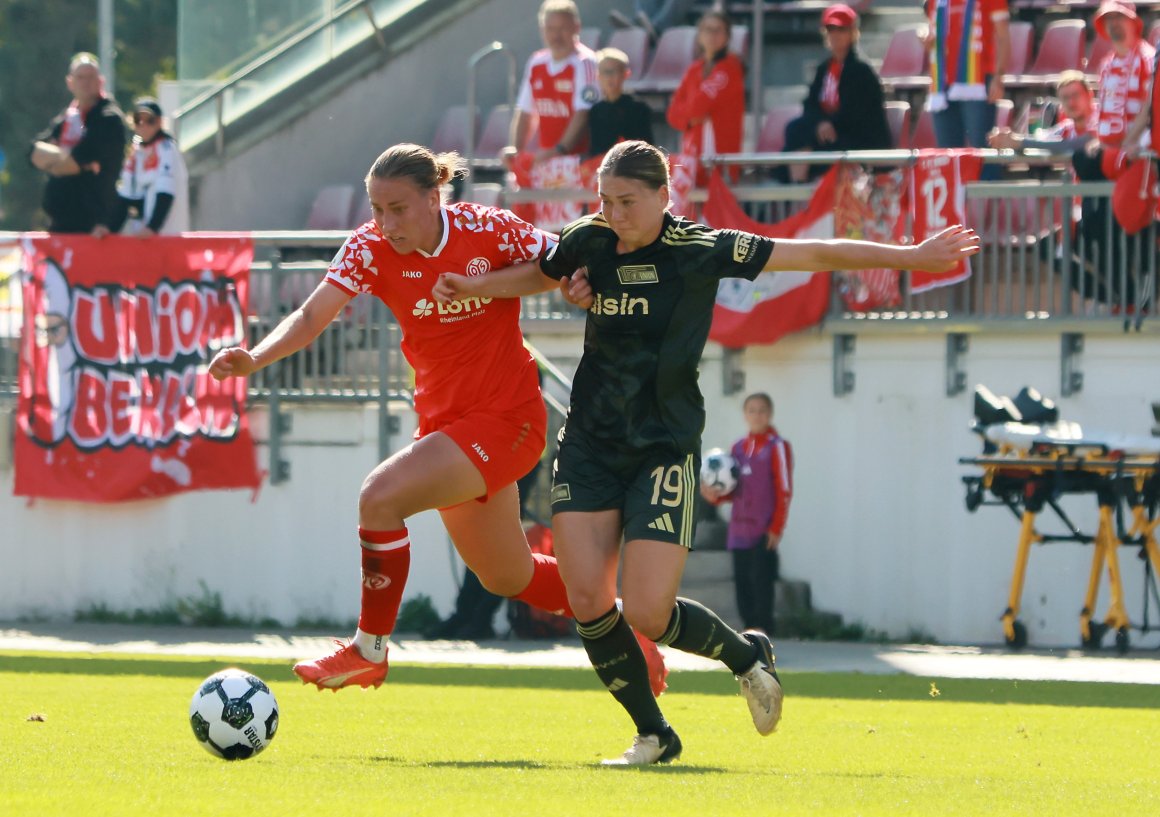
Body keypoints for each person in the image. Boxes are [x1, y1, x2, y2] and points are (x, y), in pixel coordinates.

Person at [432, 139, 980, 765]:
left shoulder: (700, 249)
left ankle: (746, 656)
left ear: (665, 196)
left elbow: (815, 252)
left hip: (661, 449)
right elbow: (547, 271)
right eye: (606, 201)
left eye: (628, 202)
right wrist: (481, 288)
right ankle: (653, 734)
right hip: (587, 443)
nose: (615, 214)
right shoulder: (589, 240)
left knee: (645, 610)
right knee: (587, 598)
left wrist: (910, 255)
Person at [208, 143, 667, 695]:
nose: (385, 223)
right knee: (507, 576)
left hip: (508, 418)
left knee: (380, 497)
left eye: (398, 209)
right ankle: (629, 626)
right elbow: (312, 315)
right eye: (377, 209)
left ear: (435, 197)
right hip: (447, 427)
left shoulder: (488, 228)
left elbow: (566, 258)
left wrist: (578, 282)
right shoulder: (368, 248)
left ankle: (369, 650)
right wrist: (256, 357)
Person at [1070, 1, 1154, 305]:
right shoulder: (1106, 63)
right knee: (1093, 228)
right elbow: (1103, 113)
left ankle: (1139, 297)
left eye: (1121, 18)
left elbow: (1149, 110)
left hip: (1135, 155)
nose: (1115, 24)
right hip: (1108, 153)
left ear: (1134, 22)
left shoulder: (1147, 59)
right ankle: (1130, 296)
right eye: (1110, 19)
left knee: (1124, 227)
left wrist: (1127, 145)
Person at [700, 393, 792, 636]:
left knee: (762, 581)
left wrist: (776, 527)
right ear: (745, 415)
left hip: (763, 528)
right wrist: (715, 497)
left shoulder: (777, 446)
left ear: (769, 414)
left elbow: (784, 489)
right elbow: (733, 489)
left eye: (762, 410)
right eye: (752, 410)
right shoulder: (738, 448)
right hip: (739, 529)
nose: (757, 415)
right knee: (742, 582)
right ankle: (749, 632)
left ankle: (764, 633)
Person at [781, 4, 892, 183]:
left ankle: (797, 185)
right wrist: (820, 124)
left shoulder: (861, 71)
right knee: (795, 129)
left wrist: (829, 124)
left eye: (841, 29)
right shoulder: (824, 69)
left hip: (856, 138)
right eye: (831, 29)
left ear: (853, 33)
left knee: (803, 143)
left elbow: (857, 114)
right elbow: (810, 104)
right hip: (830, 134)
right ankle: (796, 186)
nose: (835, 34)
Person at [28, 52, 126, 234]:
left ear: (100, 82)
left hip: (95, 226)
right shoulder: (67, 118)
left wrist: (54, 160)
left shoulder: (108, 118)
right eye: (80, 77)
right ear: (70, 82)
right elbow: (33, 152)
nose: (85, 82)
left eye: (91, 77)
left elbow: (74, 162)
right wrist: (64, 161)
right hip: (60, 222)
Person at [507, 0, 600, 163]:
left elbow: (583, 114)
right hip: (548, 159)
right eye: (550, 29)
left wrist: (559, 150)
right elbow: (525, 112)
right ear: (542, 30)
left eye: (562, 28)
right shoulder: (536, 62)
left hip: (581, 160)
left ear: (576, 28)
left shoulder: (586, 62)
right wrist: (516, 151)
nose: (556, 36)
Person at [666, 7, 745, 185]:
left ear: (727, 37)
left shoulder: (730, 67)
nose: (712, 35)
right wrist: (689, 120)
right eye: (707, 29)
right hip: (693, 159)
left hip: (719, 162)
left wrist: (689, 115)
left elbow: (696, 108)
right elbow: (672, 115)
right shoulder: (694, 69)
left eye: (718, 30)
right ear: (699, 35)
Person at [924, 0, 1011, 156]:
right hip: (942, 84)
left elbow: (1003, 37)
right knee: (947, 154)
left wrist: (998, 78)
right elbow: (932, 31)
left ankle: (988, 181)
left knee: (983, 150)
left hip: (978, 82)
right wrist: (925, 37)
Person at [99, 97, 190, 237]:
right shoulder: (137, 153)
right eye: (138, 121)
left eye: (150, 121)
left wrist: (152, 228)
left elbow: (166, 192)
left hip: (167, 237)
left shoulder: (167, 149)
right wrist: (110, 229)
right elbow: (126, 197)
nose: (144, 126)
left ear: (160, 122)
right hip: (144, 239)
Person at [987, 71, 1095, 154]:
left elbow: (1075, 145)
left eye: (1076, 95)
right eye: (1065, 98)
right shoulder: (1067, 128)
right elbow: (1042, 139)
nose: (1071, 103)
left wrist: (1019, 142)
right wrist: (1011, 140)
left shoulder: (1100, 121)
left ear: (1089, 95)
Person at [587, 47, 655, 156]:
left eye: (615, 71)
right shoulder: (596, 111)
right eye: (606, 72)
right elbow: (595, 150)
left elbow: (647, 148)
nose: (610, 77)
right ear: (598, 76)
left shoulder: (638, 108)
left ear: (626, 74)